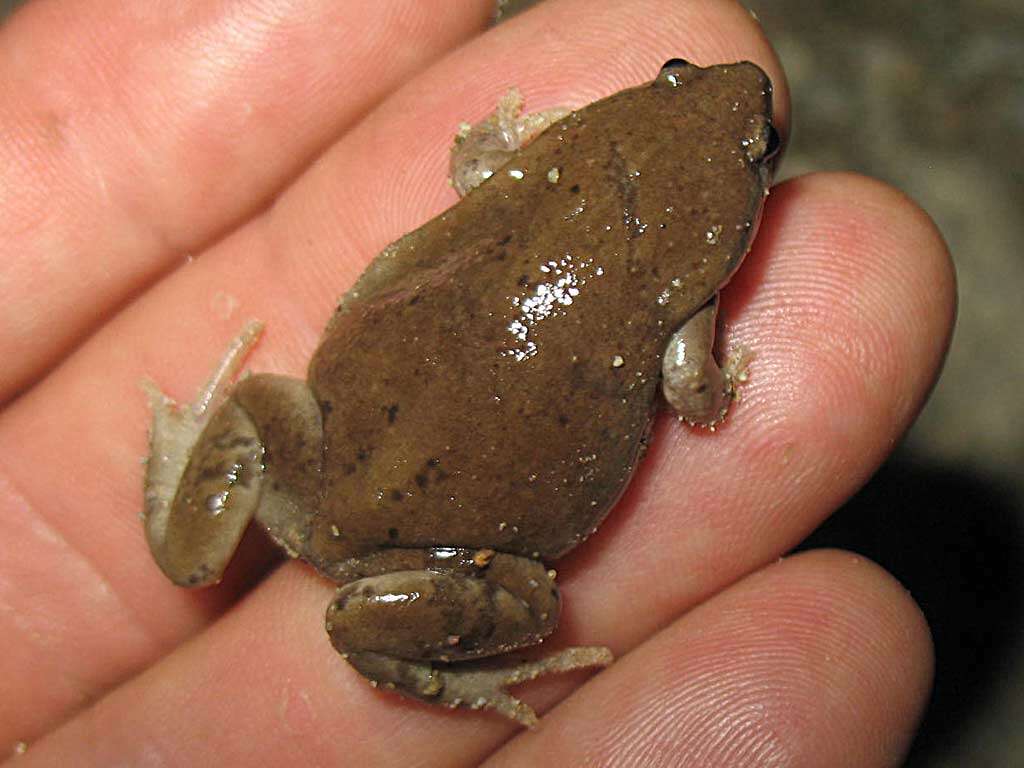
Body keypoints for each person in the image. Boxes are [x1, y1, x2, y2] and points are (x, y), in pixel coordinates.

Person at [0, 0, 950, 764]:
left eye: (756, 151)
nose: (721, 88)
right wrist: (724, 374)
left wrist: (507, 147)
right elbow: (698, 398)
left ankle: (188, 483)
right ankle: (416, 666)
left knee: (247, 439)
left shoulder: (546, 176)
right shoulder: (680, 304)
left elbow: (472, 161)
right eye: (675, 81)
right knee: (534, 604)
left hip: (351, 474)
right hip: (413, 535)